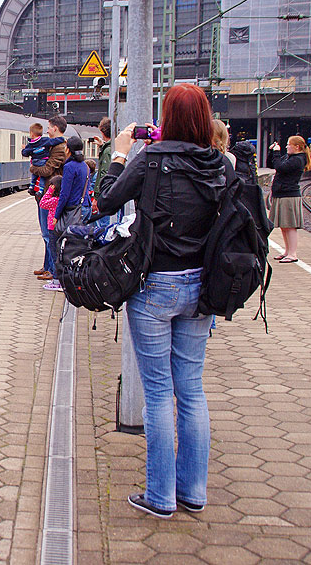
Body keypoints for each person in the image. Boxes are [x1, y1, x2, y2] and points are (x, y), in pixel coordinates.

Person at [95, 83, 228, 519]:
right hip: (202, 289)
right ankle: (193, 492)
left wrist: (118, 153)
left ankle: (160, 497)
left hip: (155, 287)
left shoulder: (151, 160)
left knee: (158, 393)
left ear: (166, 118)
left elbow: (104, 201)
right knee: (191, 390)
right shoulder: (220, 164)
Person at [45, 135, 89, 291]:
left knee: (58, 245)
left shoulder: (70, 167)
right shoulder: (85, 166)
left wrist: (56, 215)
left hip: (69, 211)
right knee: (74, 246)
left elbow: (64, 193)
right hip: (80, 209)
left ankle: (59, 280)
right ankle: (71, 278)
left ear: (68, 149)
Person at [30, 116, 68, 281]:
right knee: (45, 233)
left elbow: (47, 170)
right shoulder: (52, 146)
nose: (47, 130)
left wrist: (33, 167)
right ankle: (47, 266)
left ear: (55, 128)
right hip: (44, 193)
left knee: (48, 234)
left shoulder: (59, 148)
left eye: (49, 127)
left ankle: (52, 270)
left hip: (51, 193)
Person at [268, 135, 311, 263]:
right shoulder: (290, 157)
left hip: (289, 195)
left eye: (288, 144)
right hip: (282, 193)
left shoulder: (298, 160)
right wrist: (273, 152)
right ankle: (287, 251)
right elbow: (273, 164)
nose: (286, 146)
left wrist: (276, 153)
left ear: (296, 147)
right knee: (284, 225)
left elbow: (280, 167)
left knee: (290, 225)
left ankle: (292, 253)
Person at [38, 174, 63, 283]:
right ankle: (56, 276)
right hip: (59, 228)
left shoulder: (54, 200)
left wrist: (49, 191)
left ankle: (56, 278)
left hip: (53, 228)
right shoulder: (61, 200)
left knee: (54, 253)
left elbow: (42, 203)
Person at [22, 123, 49, 194]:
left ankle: (32, 185)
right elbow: (53, 141)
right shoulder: (45, 140)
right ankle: (41, 189)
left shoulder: (30, 144)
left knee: (34, 173)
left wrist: (24, 150)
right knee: (43, 176)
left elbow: (25, 153)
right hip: (43, 161)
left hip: (34, 162)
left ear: (32, 134)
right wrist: (61, 139)